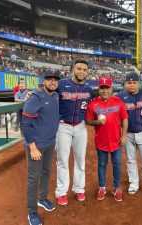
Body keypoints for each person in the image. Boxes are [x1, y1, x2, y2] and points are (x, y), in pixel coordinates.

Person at [22, 70, 61, 225]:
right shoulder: (35, 98)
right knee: (34, 177)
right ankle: (32, 212)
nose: (53, 82)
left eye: (55, 80)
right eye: (49, 79)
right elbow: (25, 124)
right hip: (36, 145)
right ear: (43, 81)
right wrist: (32, 147)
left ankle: (42, 198)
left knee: (46, 172)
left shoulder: (56, 96)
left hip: (50, 143)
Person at [55, 58, 94, 205]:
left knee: (80, 159)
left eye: (84, 70)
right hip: (63, 126)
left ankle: (79, 189)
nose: (81, 72)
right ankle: (61, 191)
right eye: (79, 68)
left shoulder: (89, 90)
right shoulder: (62, 85)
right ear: (73, 69)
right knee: (62, 160)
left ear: (87, 72)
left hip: (80, 126)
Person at [86, 76, 128, 202]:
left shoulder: (118, 102)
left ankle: (116, 188)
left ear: (111, 88)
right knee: (102, 164)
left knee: (117, 165)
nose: (105, 90)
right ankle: (102, 187)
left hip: (116, 140)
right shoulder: (93, 103)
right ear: (99, 89)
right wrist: (97, 122)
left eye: (107, 88)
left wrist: (124, 135)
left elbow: (125, 119)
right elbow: (88, 120)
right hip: (101, 140)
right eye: (102, 88)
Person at [116, 72, 142, 197]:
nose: (132, 85)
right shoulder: (119, 97)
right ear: (125, 83)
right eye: (129, 83)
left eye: (134, 83)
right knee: (131, 160)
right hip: (127, 134)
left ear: (139, 83)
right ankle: (134, 184)